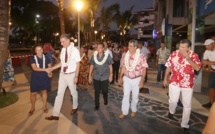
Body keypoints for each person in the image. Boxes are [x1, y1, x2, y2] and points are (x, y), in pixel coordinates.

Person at [163, 39, 201, 133]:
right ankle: (171, 112)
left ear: (189, 48)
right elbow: (168, 66)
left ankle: (185, 124)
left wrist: (188, 58)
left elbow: (197, 68)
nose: (181, 49)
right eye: (180, 46)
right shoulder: (173, 54)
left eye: (183, 47)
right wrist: (165, 79)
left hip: (187, 84)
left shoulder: (194, 55)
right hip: (174, 82)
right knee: (173, 101)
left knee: (187, 105)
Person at [45, 34, 80, 120]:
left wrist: (76, 76)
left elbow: (78, 64)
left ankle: (75, 107)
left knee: (73, 93)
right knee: (59, 94)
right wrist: (52, 68)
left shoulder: (75, 51)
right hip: (62, 75)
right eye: (61, 42)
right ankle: (55, 114)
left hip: (71, 75)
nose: (61, 43)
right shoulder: (63, 50)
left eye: (63, 42)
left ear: (68, 41)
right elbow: (62, 63)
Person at [118, 40, 148, 119]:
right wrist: (120, 77)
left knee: (135, 96)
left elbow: (144, 69)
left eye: (131, 46)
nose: (129, 47)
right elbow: (123, 67)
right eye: (128, 46)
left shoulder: (141, 56)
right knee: (125, 95)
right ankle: (124, 111)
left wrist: (142, 81)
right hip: (127, 79)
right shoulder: (126, 55)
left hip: (136, 79)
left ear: (135, 47)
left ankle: (134, 109)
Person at [88, 43, 113, 111]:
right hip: (96, 77)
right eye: (97, 47)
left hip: (105, 77)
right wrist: (90, 75)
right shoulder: (94, 56)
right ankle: (97, 105)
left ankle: (105, 98)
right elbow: (91, 65)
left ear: (103, 49)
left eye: (100, 47)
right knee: (97, 91)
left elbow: (110, 66)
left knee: (105, 91)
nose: (98, 48)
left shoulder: (107, 56)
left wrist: (111, 75)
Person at [29, 44, 52, 116]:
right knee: (33, 93)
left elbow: (50, 67)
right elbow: (34, 68)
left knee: (44, 92)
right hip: (35, 77)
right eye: (37, 50)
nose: (40, 51)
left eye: (41, 49)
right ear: (35, 51)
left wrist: (50, 73)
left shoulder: (47, 57)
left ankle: (44, 106)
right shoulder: (32, 58)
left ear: (43, 50)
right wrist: (46, 70)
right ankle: (32, 107)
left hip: (44, 77)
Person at [202, 39, 215, 108]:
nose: (207, 47)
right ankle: (211, 102)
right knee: (211, 87)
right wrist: (212, 63)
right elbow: (204, 61)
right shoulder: (207, 51)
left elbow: (207, 62)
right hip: (213, 71)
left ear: (213, 44)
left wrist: (210, 62)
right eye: (206, 46)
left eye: (208, 45)